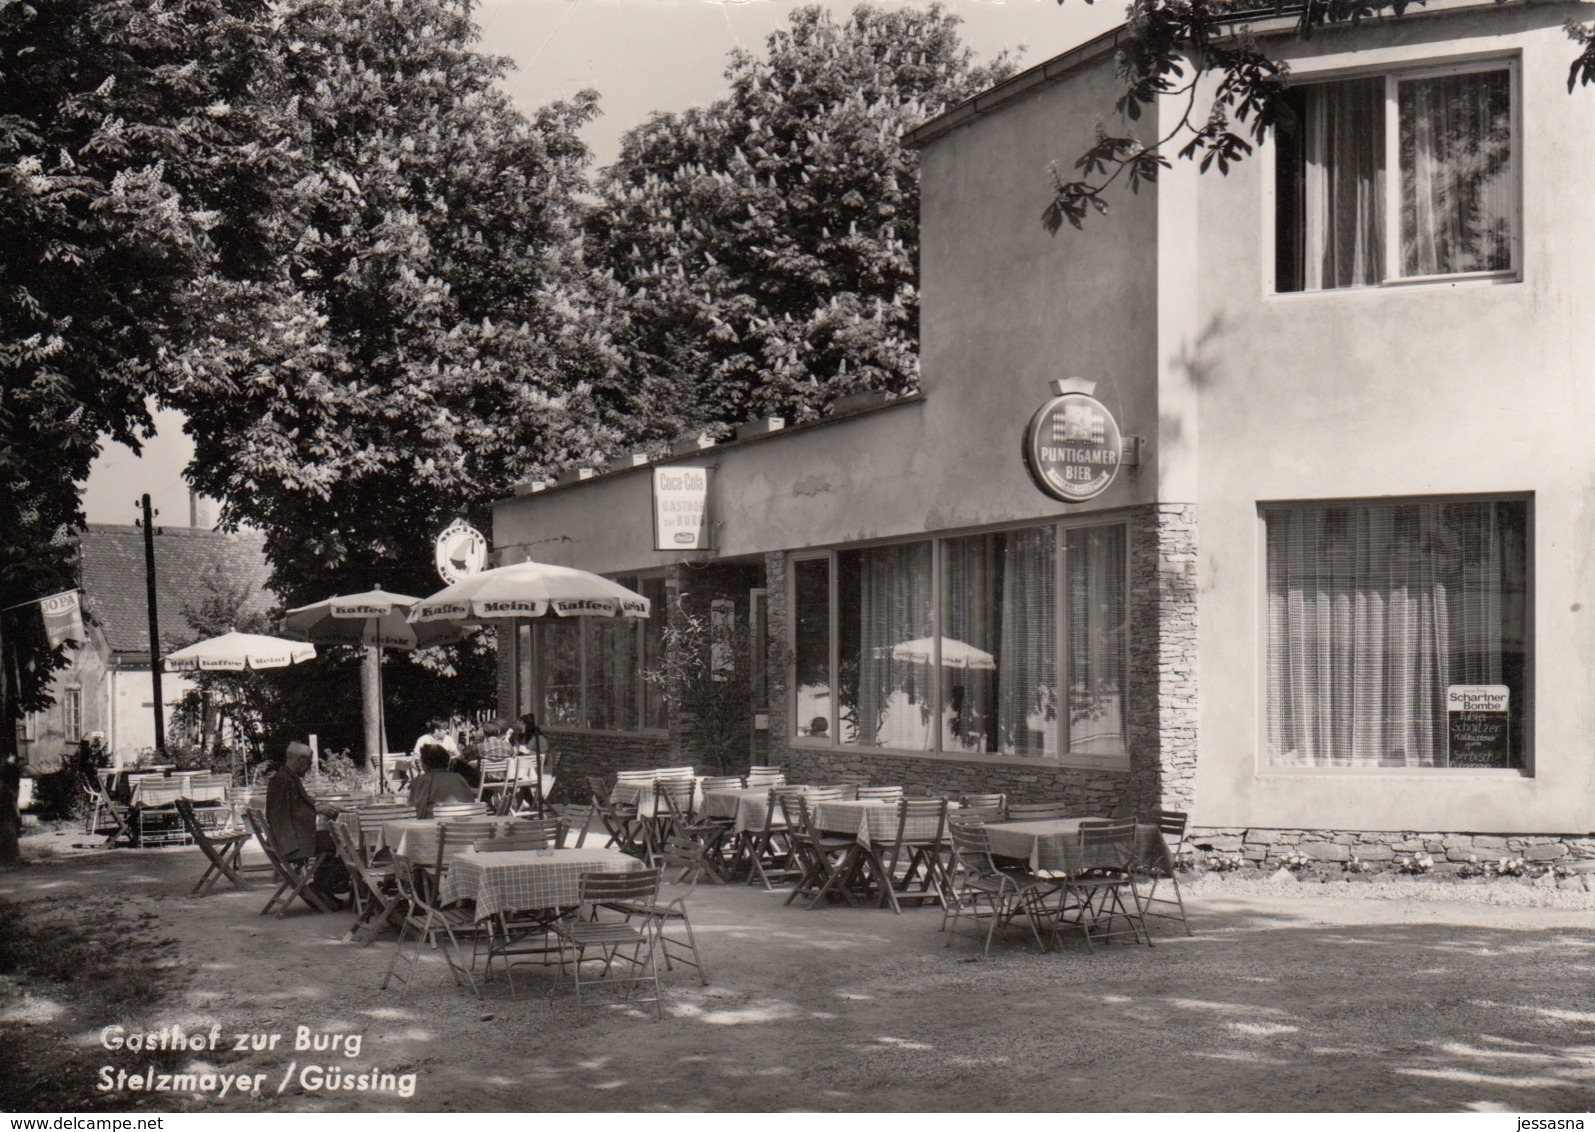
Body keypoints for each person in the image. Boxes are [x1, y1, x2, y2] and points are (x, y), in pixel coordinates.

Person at [265, 741, 348, 902]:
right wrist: (318, 809)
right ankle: (322, 890)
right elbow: (281, 815)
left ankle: (322, 890)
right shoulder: (283, 780)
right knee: (337, 842)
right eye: (309, 763)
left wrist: (314, 804)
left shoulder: (285, 777)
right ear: (299, 760)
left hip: (286, 838)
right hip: (289, 843)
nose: (309, 767)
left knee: (330, 838)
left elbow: (294, 807)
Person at [407, 743, 475, 818]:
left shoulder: (422, 780)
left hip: (435, 825)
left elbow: (415, 810)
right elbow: (471, 802)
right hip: (462, 823)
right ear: (447, 762)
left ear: (425, 764)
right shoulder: (459, 778)